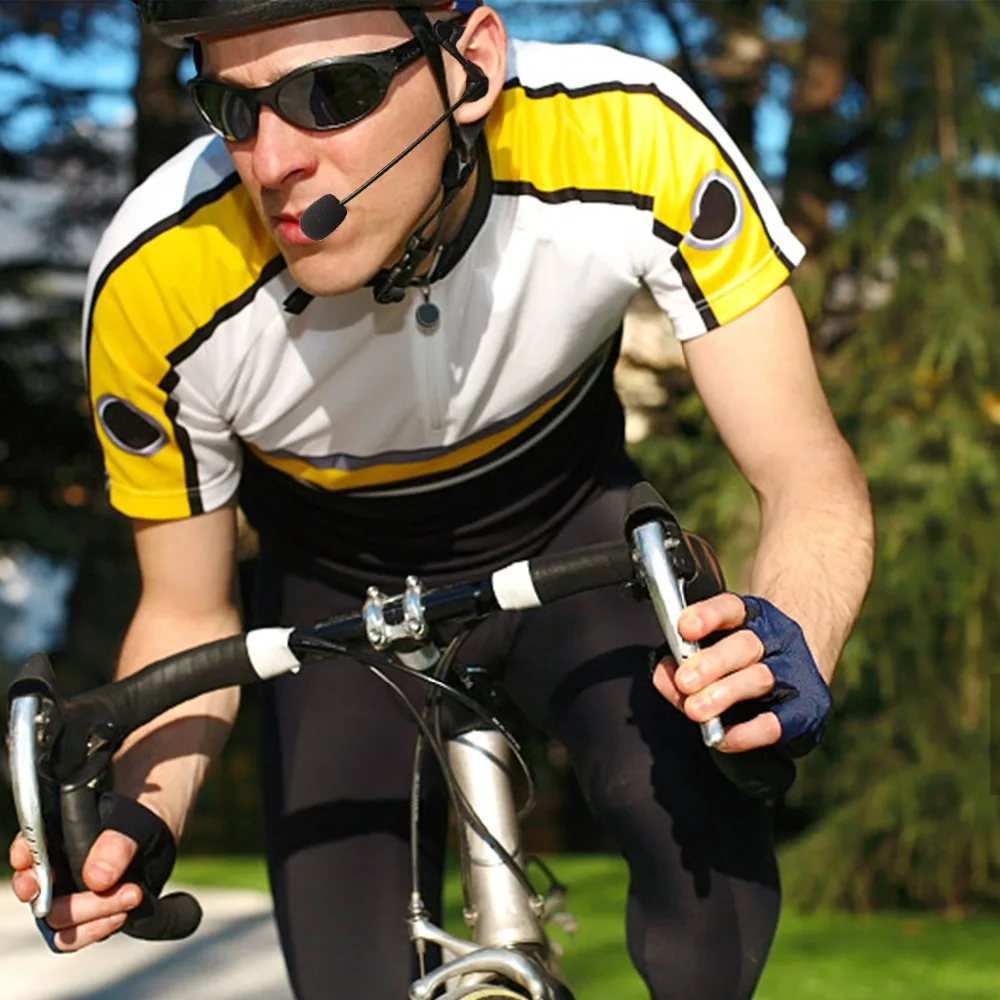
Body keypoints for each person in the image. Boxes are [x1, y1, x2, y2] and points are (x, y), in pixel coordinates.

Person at [8, 2, 875, 998]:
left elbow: (806, 473)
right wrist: (137, 815)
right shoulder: (158, 275)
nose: (273, 161)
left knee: (701, 868)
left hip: (574, 531)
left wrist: (788, 641)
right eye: (232, 108)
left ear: (471, 66)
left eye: (331, 94)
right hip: (334, 588)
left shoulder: (629, 134)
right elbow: (187, 611)